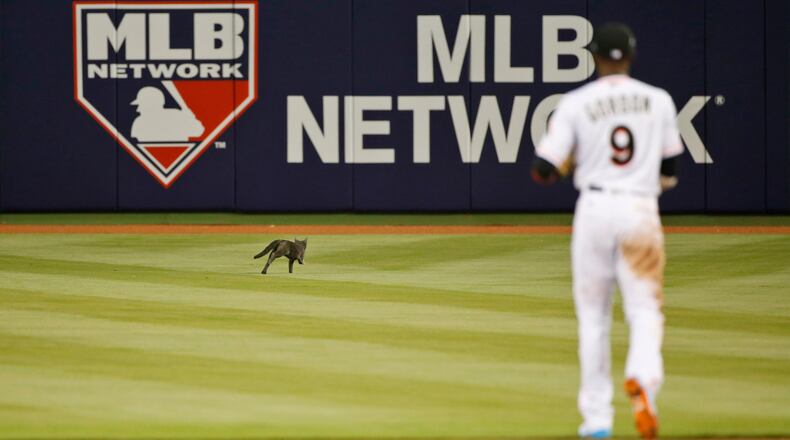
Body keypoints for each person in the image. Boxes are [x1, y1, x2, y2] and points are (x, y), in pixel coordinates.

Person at [532, 22, 682, 440]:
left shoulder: (577, 103)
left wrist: (571, 165)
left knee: (593, 319)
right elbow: (670, 171)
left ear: (595, 56)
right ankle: (643, 383)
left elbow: (543, 169)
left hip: (595, 208)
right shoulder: (659, 101)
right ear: (631, 56)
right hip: (639, 208)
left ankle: (597, 422)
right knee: (645, 309)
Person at [130, 86, 204, 142]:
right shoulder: (177, 115)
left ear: (151, 103)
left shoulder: (140, 122)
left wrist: (189, 119)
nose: (138, 109)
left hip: (176, 153)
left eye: (141, 105)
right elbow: (198, 131)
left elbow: (198, 131)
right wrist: (190, 118)